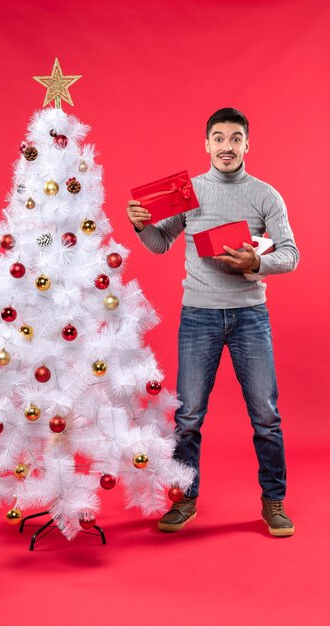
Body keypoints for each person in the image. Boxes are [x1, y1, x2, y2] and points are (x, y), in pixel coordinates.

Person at [126, 108, 299, 537]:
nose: (227, 146)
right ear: (206, 144)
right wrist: (139, 226)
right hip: (198, 315)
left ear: (246, 145)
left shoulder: (265, 195)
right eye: (218, 138)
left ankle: (273, 502)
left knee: (266, 415)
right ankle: (185, 498)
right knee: (187, 416)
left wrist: (257, 260)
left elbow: (291, 254)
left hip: (250, 315)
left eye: (235, 138)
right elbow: (160, 243)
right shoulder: (187, 191)